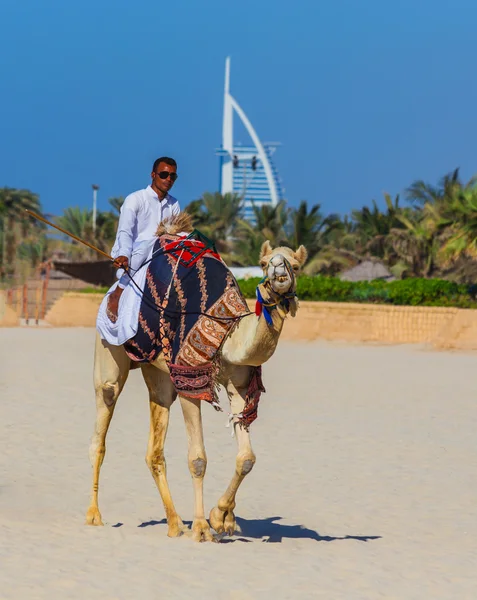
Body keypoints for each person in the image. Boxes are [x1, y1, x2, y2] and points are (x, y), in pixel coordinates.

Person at [107, 157, 180, 322]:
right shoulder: (135, 199)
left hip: (160, 255)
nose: (168, 179)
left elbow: (174, 233)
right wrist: (124, 255)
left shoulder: (174, 204)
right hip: (132, 257)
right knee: (149, 243)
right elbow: (124, 232)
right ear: (153, 175)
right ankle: (117, 294)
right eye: (164, 174)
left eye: (172, 176)